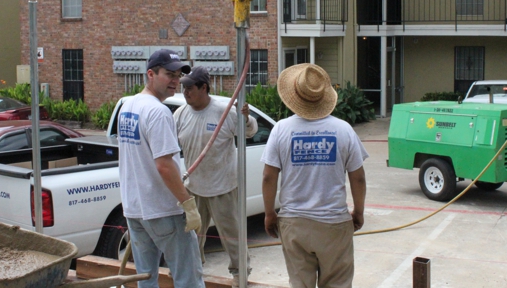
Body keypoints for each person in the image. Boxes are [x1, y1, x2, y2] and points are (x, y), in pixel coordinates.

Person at [261, 63, 368, 288]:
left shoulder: (281, 129)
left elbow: (269, 177)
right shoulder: (343, 129)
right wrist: (358, 211)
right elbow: (357, 177)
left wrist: (270, 213)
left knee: (300, 283)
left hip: (294, 222)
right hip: (334, 224)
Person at [117, 49, 205, 288]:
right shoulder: (158, 112)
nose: (176, 81)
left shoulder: (128, 106)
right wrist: (188, 204)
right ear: (151, 74)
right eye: (169, 74)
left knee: (146, 279)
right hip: (163, 210)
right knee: (189, 278)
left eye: (178, 75)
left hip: (136, 210)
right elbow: (165, 166)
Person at [173, 65, 258, 287]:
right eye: (184, 88)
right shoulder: (180, 114)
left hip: (223, 187)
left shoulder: (225, 112)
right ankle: (194, 271)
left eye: (190, 88)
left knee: (232, 236)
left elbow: (250, 132)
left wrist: (247, 118)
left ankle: (240, 273)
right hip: (194, 188)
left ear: (204, 87)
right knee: (192, 237)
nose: (185, 92)